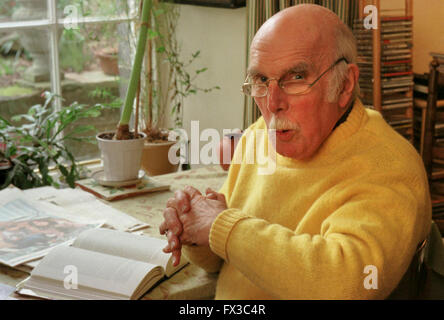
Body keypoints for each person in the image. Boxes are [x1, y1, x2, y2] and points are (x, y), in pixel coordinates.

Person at [159, 4, 432, 299]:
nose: (273, 102)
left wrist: (223, 226)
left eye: (296, 78)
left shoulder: (388, 165)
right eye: (262, 80)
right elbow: (228, 260)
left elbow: (348, 284)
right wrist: (197, 230)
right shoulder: (256, 139)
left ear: (345, 85)